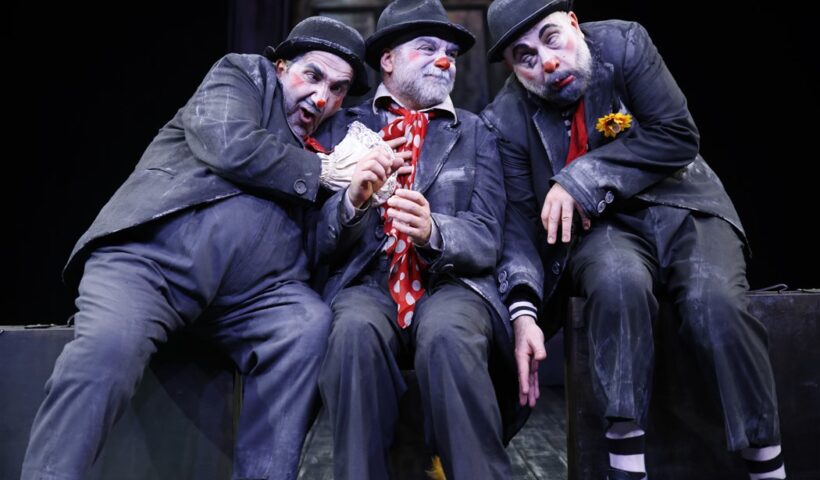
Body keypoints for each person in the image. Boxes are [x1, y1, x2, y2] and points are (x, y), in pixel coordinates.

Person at [21, 16, 371, 480]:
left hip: (250, 299)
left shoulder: (333, 141)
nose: (322, 97)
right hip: (149, 263)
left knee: (307, 324)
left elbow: (315, 244)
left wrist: (351, 202)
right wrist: (321, 172)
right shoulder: (244, 75)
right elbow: (227, 142)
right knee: (105, 352)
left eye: (338, 89)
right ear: (282, 66)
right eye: (313, 75)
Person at [481, 1, 786, 479]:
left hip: (684, 203)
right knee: (616, 285)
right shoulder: (505, 118)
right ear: (510, 67)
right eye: (526, 57)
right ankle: (627, 468)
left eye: (552, 38)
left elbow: (677, 135)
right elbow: (518, 225)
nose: (548, 62)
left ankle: (768, 467)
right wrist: (524, 312)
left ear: (574, 24)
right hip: (601, 229)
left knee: (714, 302)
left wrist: (580, 177)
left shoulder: (623, 44)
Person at [313, 1, 524, 478]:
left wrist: (434, 231)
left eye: (450, 52)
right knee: (352, 332)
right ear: (387, 60)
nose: (444, 60)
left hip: (451, 285)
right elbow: (314, 239)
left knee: (449, 333)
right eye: (426, 48)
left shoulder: (476, 132)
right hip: (367, 282)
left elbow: (488, 235)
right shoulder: (341, 127)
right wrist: (351, 203)